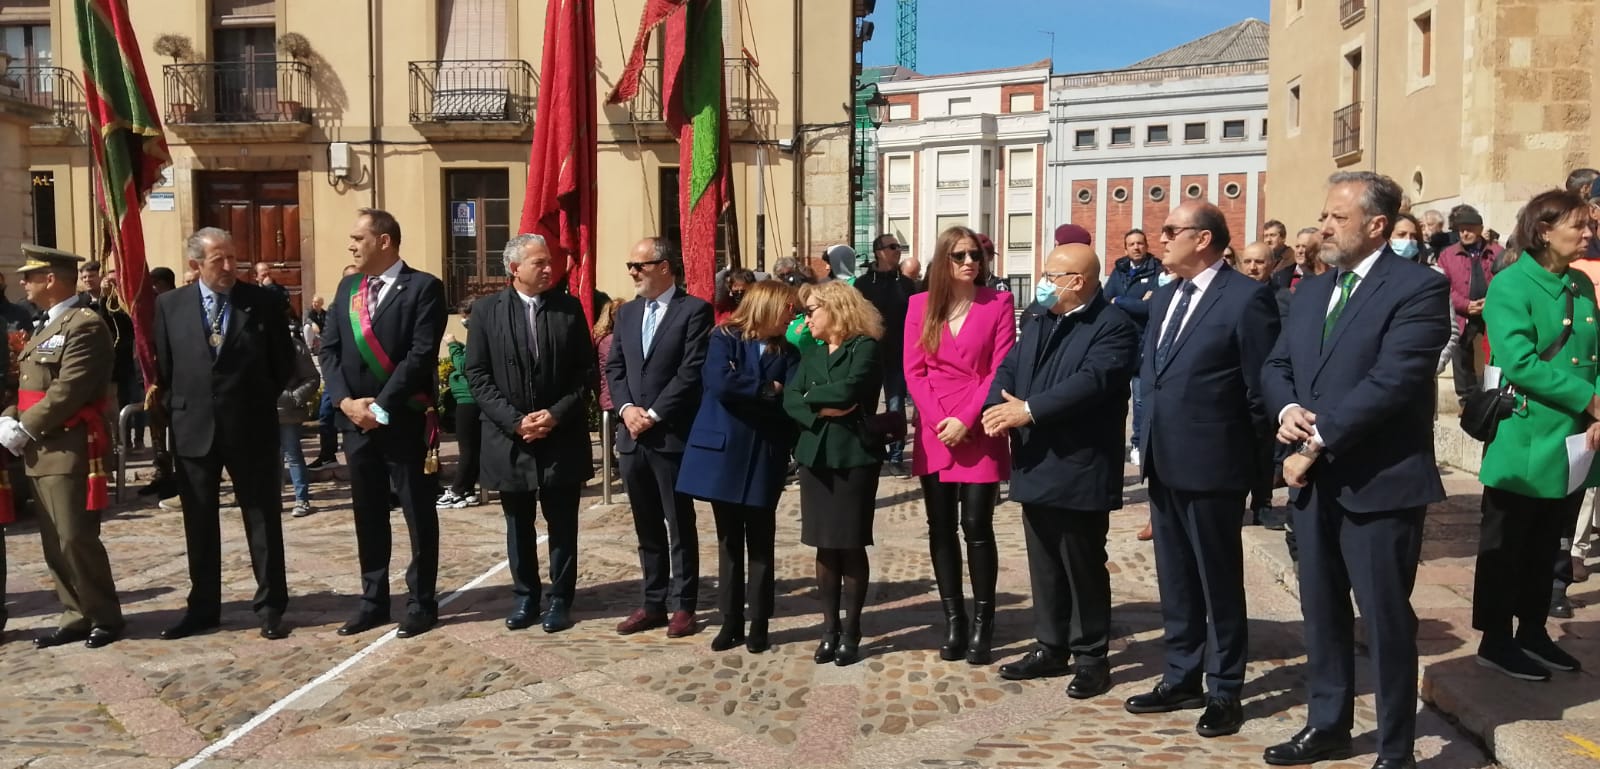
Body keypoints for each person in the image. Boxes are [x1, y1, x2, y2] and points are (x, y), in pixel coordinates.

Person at [1263, 171, 1451, 769]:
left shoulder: (1419, 288)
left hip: (1380, 483)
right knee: (1321, 610)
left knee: (1385, 619)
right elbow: (1278, 363)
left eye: (1336, 218)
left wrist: (1316, 439)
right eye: (1323, 216)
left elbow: (1393, 382)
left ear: (1375, 225)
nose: (1323, 227)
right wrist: (1288, 408)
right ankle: (1328, 724)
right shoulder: (1313, 289)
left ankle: (1395, 748)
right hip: (1316, 486)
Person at [1128, 201, 1278, 738]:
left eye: (1172, 230)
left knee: (1218, 580)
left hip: (1216, 463)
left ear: (1206, 239)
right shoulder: (1165, 295)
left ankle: (1226, 688)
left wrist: (1251, 466)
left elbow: (1259, 390)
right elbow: (1156, 373)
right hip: (1163, 460)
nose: (1160, 237)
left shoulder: (1246, 297)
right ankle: (1181, 674)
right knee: (1176, 577)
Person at [985, 243, 1139, 697]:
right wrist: (999, 402)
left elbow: (1091, 383)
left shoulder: (1112, 326)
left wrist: (1030, 410)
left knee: (1082, 563)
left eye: (1052, 274)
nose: (1043, 281)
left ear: (1078, 281)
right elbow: (1009, 367)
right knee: (1044, 561)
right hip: (1035, 460)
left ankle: (1092, 656)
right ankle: (1050, 646)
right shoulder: (1038, 317)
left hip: (1079, 464)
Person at [1470, 189, 1598, 682]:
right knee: (1508, 541)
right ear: (1544, 230)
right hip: (1524, 435)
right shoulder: (1511, 284)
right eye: (1578, 226)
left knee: (1550, 539)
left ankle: (1534, 629)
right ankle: (1496, 637)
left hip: (1572, 438)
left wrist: (1597, 409)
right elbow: (1519, 362)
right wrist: (1587, 399)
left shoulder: (1581, 287)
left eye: (1590, 225)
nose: (1588, 233)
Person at [153, 227, 295, 641]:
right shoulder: (169, 305)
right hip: (193, 427)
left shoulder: (262, 302)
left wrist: (251, 399)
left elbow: (281, 363)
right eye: (220, 261)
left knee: (262, 519)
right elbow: (165, 367)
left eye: (234, 258)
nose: (231, 267)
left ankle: (270, 606)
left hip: (250, 427)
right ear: (196, 265)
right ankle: (203, 608)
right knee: (198, 521)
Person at [320, 209, 447, 638]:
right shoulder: (348, 287)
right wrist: (345, 402)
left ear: (385, 241)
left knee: (417, 513)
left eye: (359, 237)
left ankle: (420, 602)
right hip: (356, 422)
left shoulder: (423, 288)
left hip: (403, 422)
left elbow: (420, 353)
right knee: (368, 514)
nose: (352, 245)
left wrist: (381, 407)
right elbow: (330, 351)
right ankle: (372, 600)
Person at [464, 234, 595, 634]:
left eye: (549, 262)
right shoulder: (487, 311)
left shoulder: (569, 309)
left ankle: (560, 599)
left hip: (560, 436)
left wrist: (554, 415)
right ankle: (526, 597)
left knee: (562, 523)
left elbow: (584, 372)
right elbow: (478, 374)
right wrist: (515, 420)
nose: (548, 268)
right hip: (510, 438)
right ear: (514, 268)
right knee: (518, 524)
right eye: (538, 262)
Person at [1, 246, 122, 648]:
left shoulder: (83, 324)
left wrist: (25, 427)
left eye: (30, 276)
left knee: (75, 537)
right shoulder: (45, 324)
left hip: (70, 447)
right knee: (54, 540)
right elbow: (31, 385)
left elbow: (69, 389)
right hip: (42, 449)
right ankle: (75, 614)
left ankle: (104, 615)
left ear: (50, 279)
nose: (23, 283)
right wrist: (10, 413)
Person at [904, 225, 1015, 664]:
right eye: (960, 256)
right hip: (936, 430)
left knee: (977, 526)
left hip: (979, 424)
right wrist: (938, 422)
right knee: (940, 527)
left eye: (976, 255)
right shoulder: (919, 305)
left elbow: (999, 367)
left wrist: (965, 419)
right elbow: (914, 371)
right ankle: (954, 619)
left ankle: (984, 621)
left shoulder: (999, 303)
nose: (970, 262)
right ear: (943, 261)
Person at [677, 280, 801, 653]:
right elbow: (719, 383)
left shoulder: (790, 353)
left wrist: (765, 391)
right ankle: (730, 621)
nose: (792, 316)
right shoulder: (725, 338)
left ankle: (759, 622)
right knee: (729, 542)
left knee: (761, 543)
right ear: (767, 307)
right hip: (724, 455)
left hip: (765, 455)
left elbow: (789, 398)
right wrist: (767, 390)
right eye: (787, 309)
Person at [607, 237, 714, 638]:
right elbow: (615, 367)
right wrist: (626, 410)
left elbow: (691, 371)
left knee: (678, 523)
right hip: (633, 437)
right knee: (646, 524)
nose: (633, 273)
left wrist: (652, 414)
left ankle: (683, 604)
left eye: (640, 266)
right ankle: (652, 602)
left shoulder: (694, 311)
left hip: (669, 435)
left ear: (665, 266)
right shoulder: (628, 313)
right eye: (630, 266)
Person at [783, 280, 884, 667]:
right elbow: (791, 398)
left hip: (853, 455)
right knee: (824, 544)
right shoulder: (811, 352)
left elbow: (850, 392)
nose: (806, 320)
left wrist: (817, 398)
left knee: (851, 543)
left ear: (836, 309)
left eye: (811, 312)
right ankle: (829, 628)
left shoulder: (865, 347)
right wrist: (815, 405)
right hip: (816, 456)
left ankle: (853, 631)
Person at [856, 233, 918, 476]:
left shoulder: (906, 284)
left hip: (898, 356)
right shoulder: (862, 284)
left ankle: (895, 455)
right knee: (865, 404)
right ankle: (867, 449)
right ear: (878, 251)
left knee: (896, 406)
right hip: (868, 354)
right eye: (892, 246)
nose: (897, 250)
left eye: (899, 246)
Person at [1104, 229, 1161, 467]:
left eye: (1140, 243)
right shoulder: (1119, 270)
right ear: (1125, 247)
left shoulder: (1157, 271)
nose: (1136, 247)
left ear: (1146, 245)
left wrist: (1122, 301)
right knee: (1113, 396)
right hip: (1119, 342)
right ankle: (1112, 443)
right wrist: (1135, 303)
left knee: (1140, 399)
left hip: (1143, 343)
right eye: (1131, 244)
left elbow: (1152, 307)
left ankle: (1138, 442)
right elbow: (1106, 300)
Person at [1438, 204, 1505, 407]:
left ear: (1479, 228)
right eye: (1460, 229)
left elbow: (1503, 278)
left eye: (1469, 228)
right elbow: (1444, 285)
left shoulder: (1496, 251)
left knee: (1490, 355)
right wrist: (1466, 305)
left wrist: (1490, 301)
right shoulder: (1448, 255)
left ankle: (1489, 395)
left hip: (1491, 312)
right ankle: (1466, 401)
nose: (1464, 233)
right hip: (1462, 313)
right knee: (1461, 357)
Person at [438, 299, 481, 509]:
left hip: (469, 399)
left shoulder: (479, 335)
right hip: (468, 399)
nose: (463, 320)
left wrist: (454, 346)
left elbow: (466, 366)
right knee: (472, 448)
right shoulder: (476, 335)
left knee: (468, 449)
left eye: (465, 316)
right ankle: (469, 490)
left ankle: (456, 490)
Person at [279, 310, 319, 518]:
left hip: (288, 412)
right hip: (263, 413)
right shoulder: (255, 346)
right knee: (269, 458)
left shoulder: (295, 347)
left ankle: (302, 499)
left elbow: (312, 378)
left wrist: (293, 397)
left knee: (293, 455)